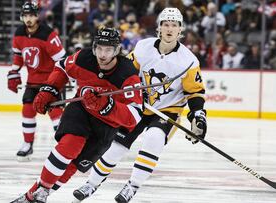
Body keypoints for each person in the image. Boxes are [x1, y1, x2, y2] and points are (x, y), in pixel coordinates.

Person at [72, 8, 207, 203]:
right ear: (159, 28)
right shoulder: (143, 47)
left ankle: (132, 186)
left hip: (167, 111)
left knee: (154, 138)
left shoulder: (188, 61)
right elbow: (126, 72)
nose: (170, 29)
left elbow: (195, 92)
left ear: (180, 30)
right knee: (116, 145)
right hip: (138, 105)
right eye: (166, 25)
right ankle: (91, 184)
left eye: (174, 25)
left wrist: (198, 116)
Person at [10, 27, 143, 203]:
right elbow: (62, 67)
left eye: (108, 50)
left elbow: (134, 116)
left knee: (72, 166)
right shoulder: (84, 58)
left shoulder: (128, 74)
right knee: (69, 145)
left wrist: (108, 106)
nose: (102, 55)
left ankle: (32, 196)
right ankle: (39, 193)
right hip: (82, 110)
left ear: (117, 50)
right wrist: (50, 89)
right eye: (99, 49)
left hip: (107, 125)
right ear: (94, 47)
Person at [7, 1, 67, 161]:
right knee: (27, 110)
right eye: (25, 16)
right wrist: (14, 71)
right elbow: (19, 56)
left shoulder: (48, 34)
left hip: (51, 82)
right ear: (22, 17)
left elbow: (62, 60)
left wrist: (60, 81)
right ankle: (27, 145)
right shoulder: (19, 33)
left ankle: (65, 147)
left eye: (31, 15)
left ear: (37, 16)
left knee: (56, 114)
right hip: (32, 82)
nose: (28, 19)